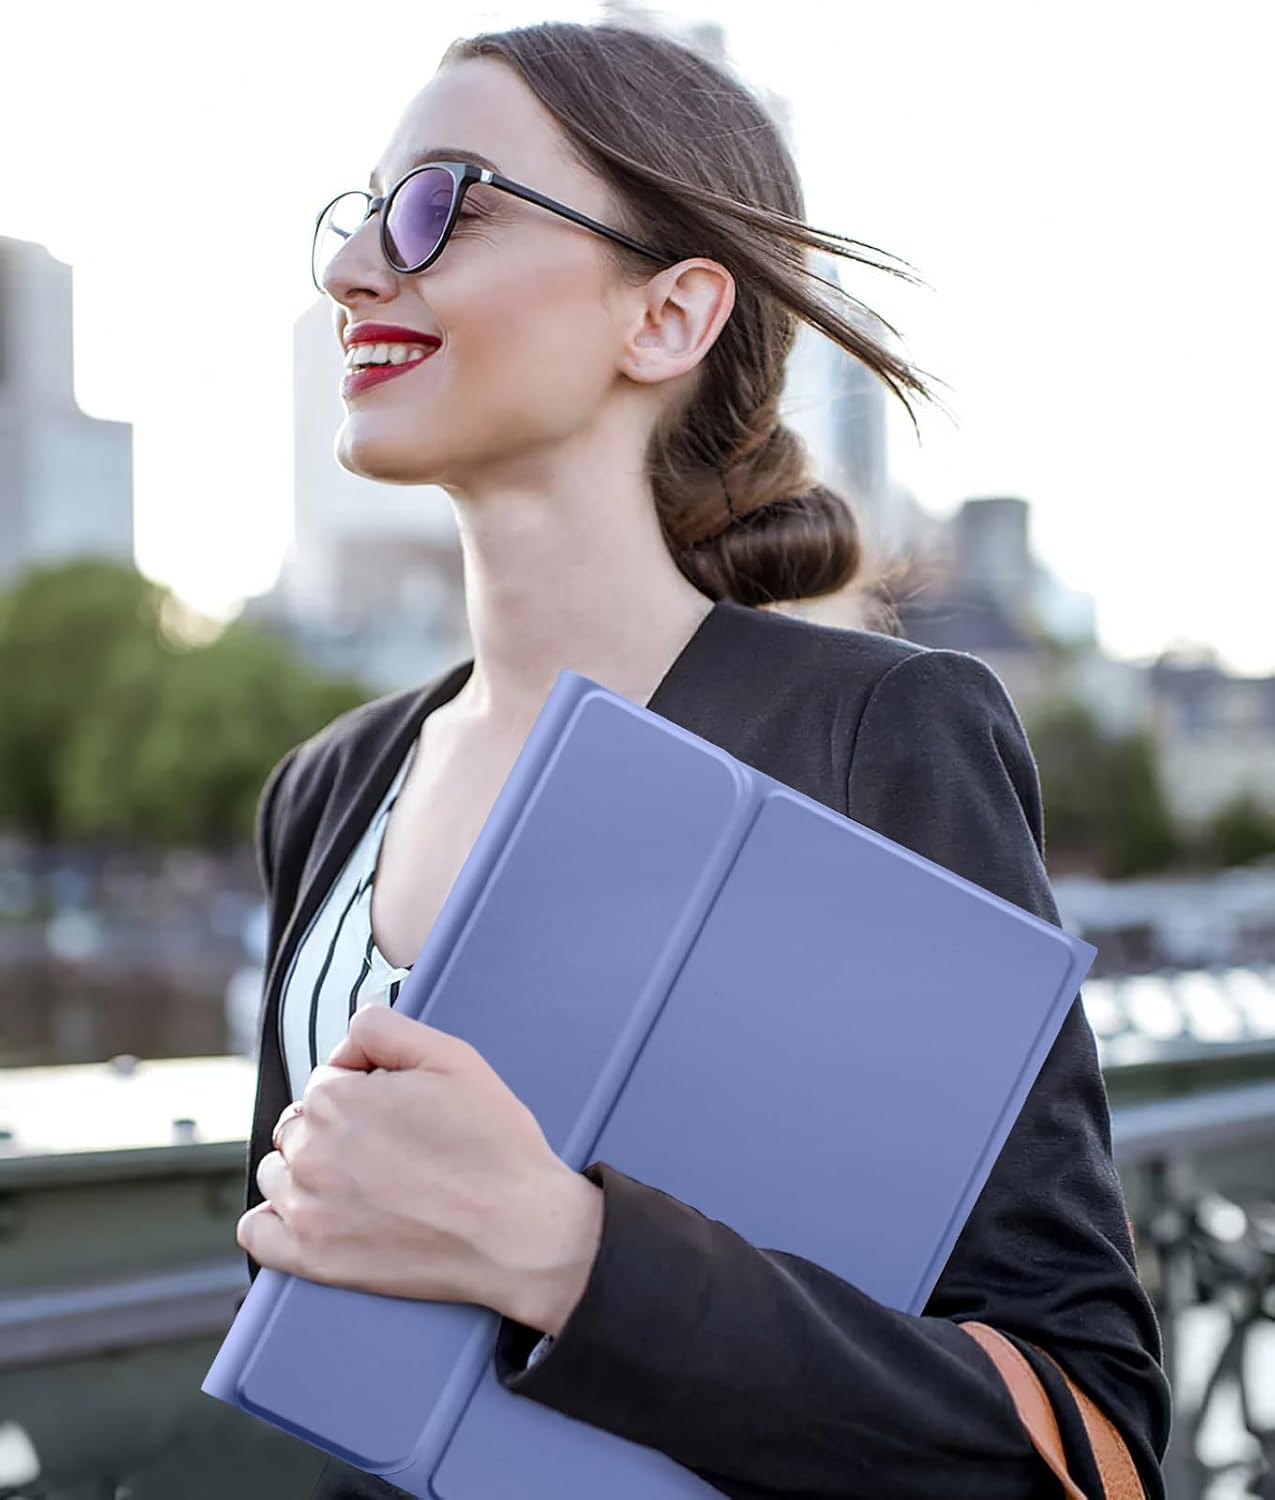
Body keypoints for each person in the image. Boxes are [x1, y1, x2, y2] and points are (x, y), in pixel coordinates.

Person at [236, 20, 1170, 1499]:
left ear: (667, 316)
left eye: (441, 204)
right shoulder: (333, 783)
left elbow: (1087, 1432)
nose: (352, 269)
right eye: (359, 217)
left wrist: (567, 1254)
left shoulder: (873, 731)